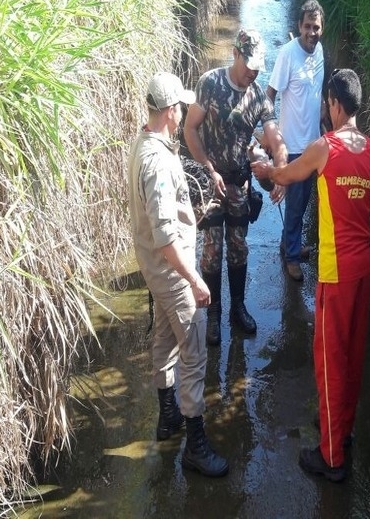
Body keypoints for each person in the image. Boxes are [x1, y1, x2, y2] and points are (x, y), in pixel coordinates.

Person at [251, 68, 370, 483]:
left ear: (333, 104)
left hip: (334, 271)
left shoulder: (324, 148)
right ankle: (341, 432)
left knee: (328, 361)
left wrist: (264, 170)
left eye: (327, 103)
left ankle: (331, 459)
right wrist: (366, 258)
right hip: (363, 267)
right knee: (352, 355)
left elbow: (286, 176)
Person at [127, 72, 228, 477]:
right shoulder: (157, 162)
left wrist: (194, 214)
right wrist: (195, 280)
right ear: (170, 112)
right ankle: (195, 445)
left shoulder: (144, 145)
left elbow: (164, 219)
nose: (184, 111)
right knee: (193, 353)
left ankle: (167, 418)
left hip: (157, 269)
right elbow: (166, 235)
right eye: (180, 107)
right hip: (172, 271)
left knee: (166, 339)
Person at [184, 28, 288, 346]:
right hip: (210, 183)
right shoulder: (210, 84)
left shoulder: (257, 95)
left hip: (239, 183)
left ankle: (237, 308)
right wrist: (207, 168)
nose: (253, 71)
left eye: (258, 66)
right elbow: (190, 128)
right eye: (249, 64)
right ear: (236, 54)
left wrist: (280, 169)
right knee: (212, 250)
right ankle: (214, 314)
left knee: (239, 247)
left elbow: (274, 137)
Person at [266, 0, 325, 282]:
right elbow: (269, 94)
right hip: (292, 147)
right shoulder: (287, 54)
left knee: (301, 204)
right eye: (307, 27)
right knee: (294, 204)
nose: (311, 32)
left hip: (314, 144)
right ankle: (291, 257)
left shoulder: (320, 51)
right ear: (298, 27)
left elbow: (317, 96)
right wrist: (271, 133)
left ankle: (288, 244)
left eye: (316, 27)